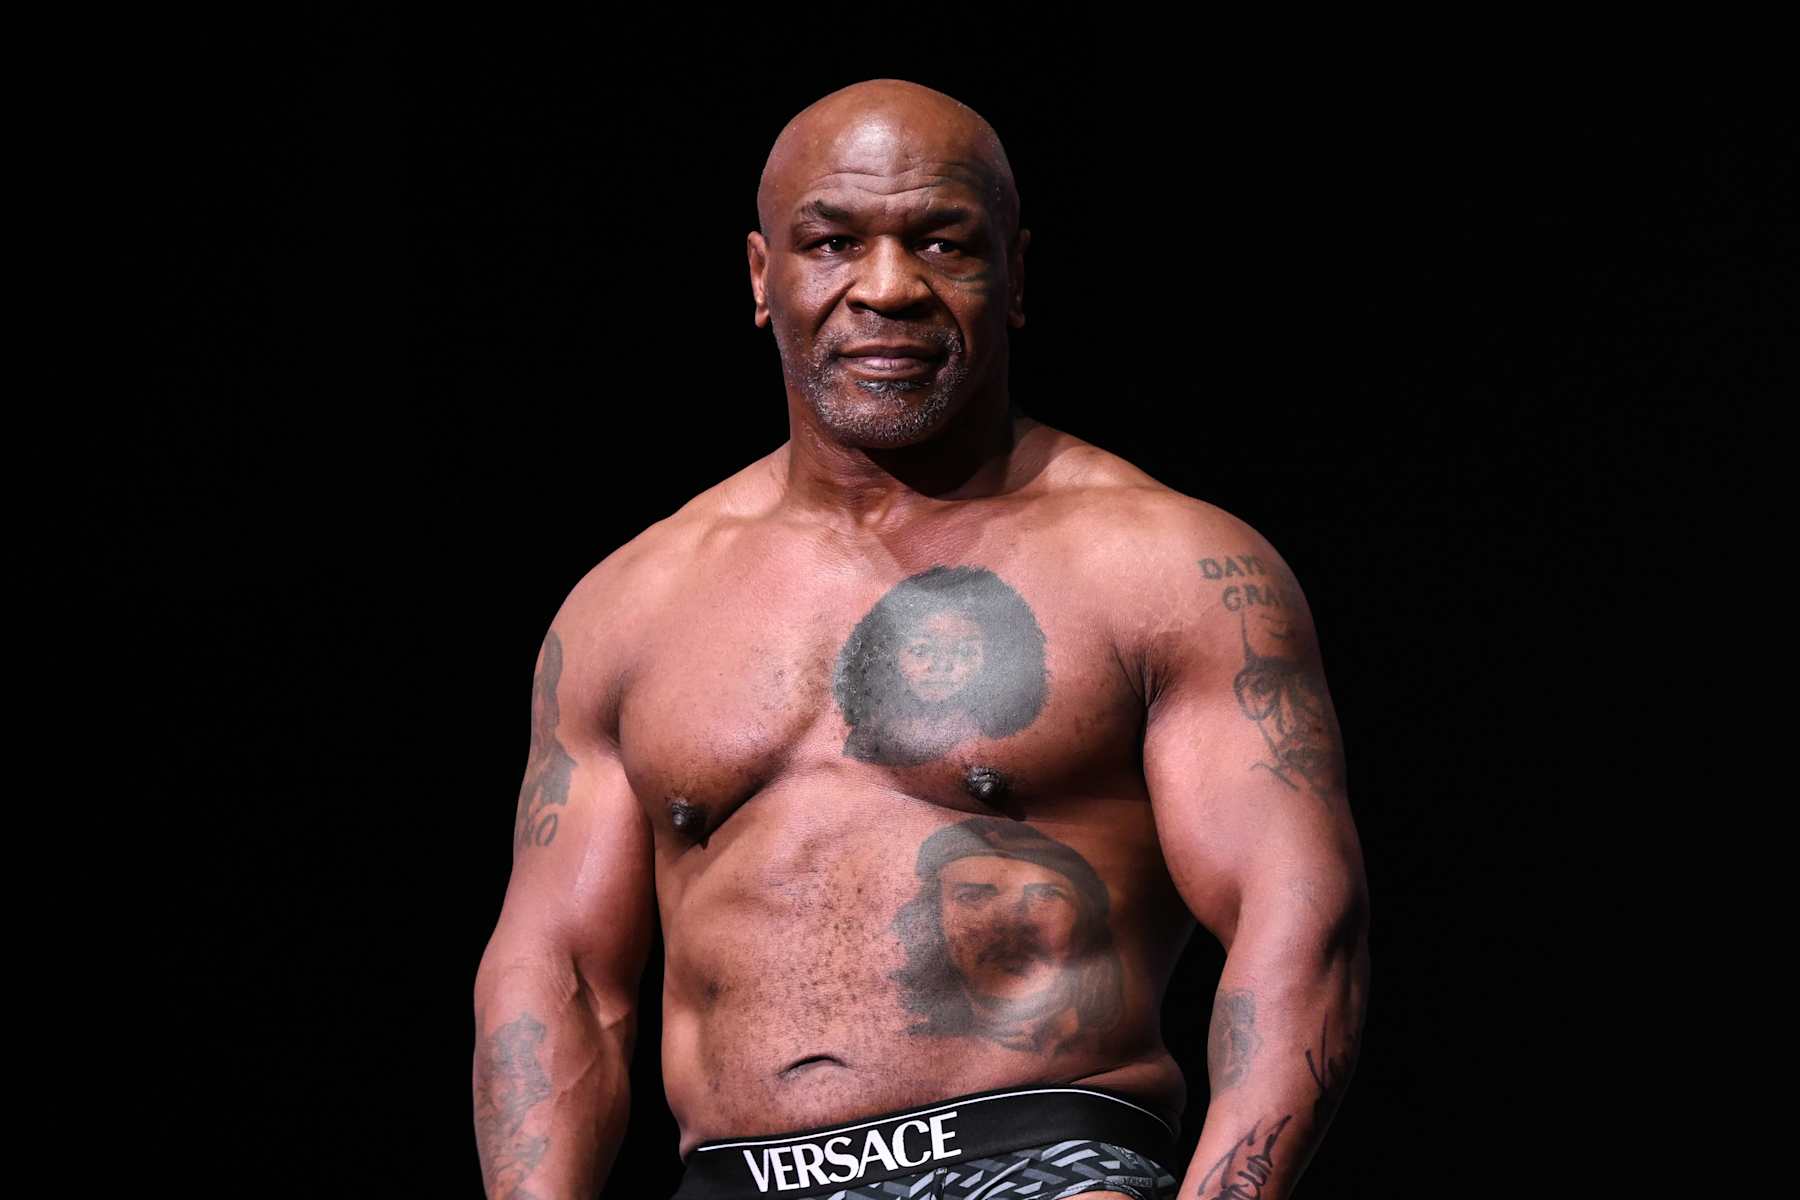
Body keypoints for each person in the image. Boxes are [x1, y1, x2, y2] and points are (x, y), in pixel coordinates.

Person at [472, 78, 1371, 1200]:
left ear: (1017, 274)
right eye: (834, 242)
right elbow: (558, 972)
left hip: (1042, 1163)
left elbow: (1298, 923)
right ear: (764, 277)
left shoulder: (1163, 568)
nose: (888, 288)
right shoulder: (630, 606)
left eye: (942, 242)